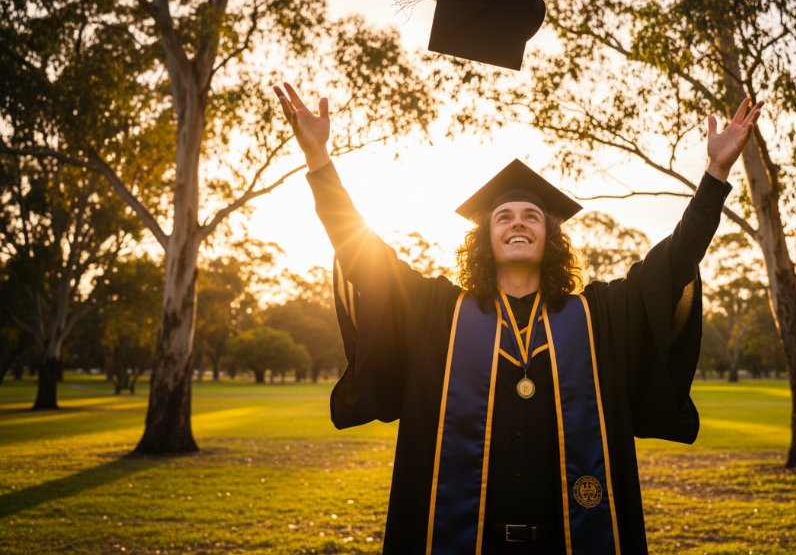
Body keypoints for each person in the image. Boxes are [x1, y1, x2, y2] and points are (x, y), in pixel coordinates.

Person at [274, 82, 761, 554]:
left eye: (531, 216)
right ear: (485, 238)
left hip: (570, 541)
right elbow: (362, 255)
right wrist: (319, 161)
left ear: (550, 236)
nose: (518, 224)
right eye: (504, 217)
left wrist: (715, 176)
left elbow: (673, 262)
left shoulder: (596, 317)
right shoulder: (439, 313)